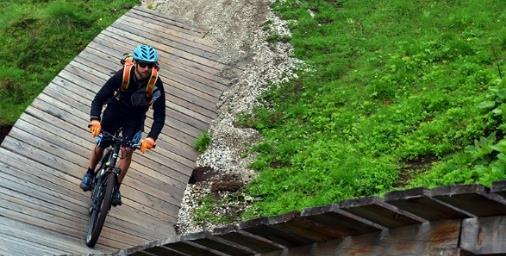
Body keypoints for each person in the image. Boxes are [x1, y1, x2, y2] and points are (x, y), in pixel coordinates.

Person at [79, 44, 166, 206]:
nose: (146, 69)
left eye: (151, 65)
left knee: (127, 150)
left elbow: (160, 116)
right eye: (143, 64)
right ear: (136, 63)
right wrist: (95, 119)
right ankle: (90, 172)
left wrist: (151, 138)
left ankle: (116, 187)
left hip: (135, 118)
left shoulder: (156, 84)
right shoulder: (122, 76)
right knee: (102, 142)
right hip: (115, 111)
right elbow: (98, 99)